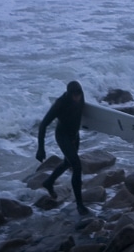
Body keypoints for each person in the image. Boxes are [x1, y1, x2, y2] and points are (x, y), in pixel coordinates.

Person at [36, 80, 90, 214]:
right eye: (74, 94)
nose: (77, 97)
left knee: (67, 163)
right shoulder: (60, 104)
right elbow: (43, 125)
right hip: (63, 136)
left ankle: (49, 182)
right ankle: (79, 205)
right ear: (69, 94)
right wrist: (41, 148)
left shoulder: (81, 98)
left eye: (79, 93)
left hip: (74, 136)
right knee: (77, 166)